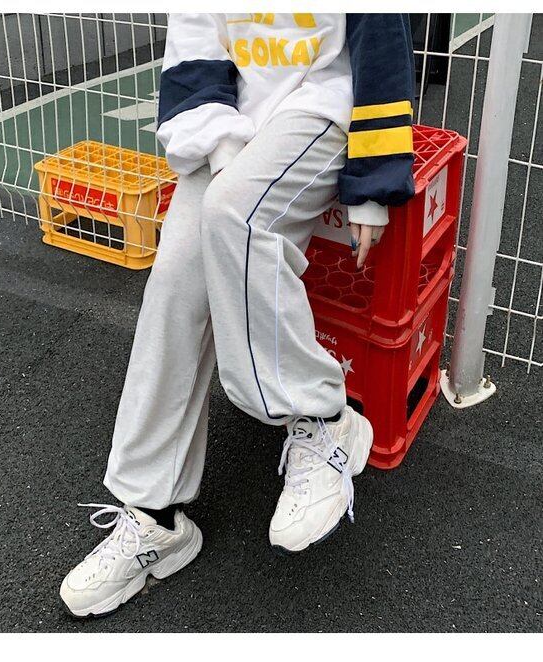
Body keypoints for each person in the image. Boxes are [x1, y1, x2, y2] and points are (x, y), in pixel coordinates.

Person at [60, 13, 415, 618]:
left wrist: (373, 185)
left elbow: (382, 41)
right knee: (174, 283)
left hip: (323, 103)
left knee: (235, 216)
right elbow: (194, 48)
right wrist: (224, 152)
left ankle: (322, 415)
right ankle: (154, 516)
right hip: (234, 121)